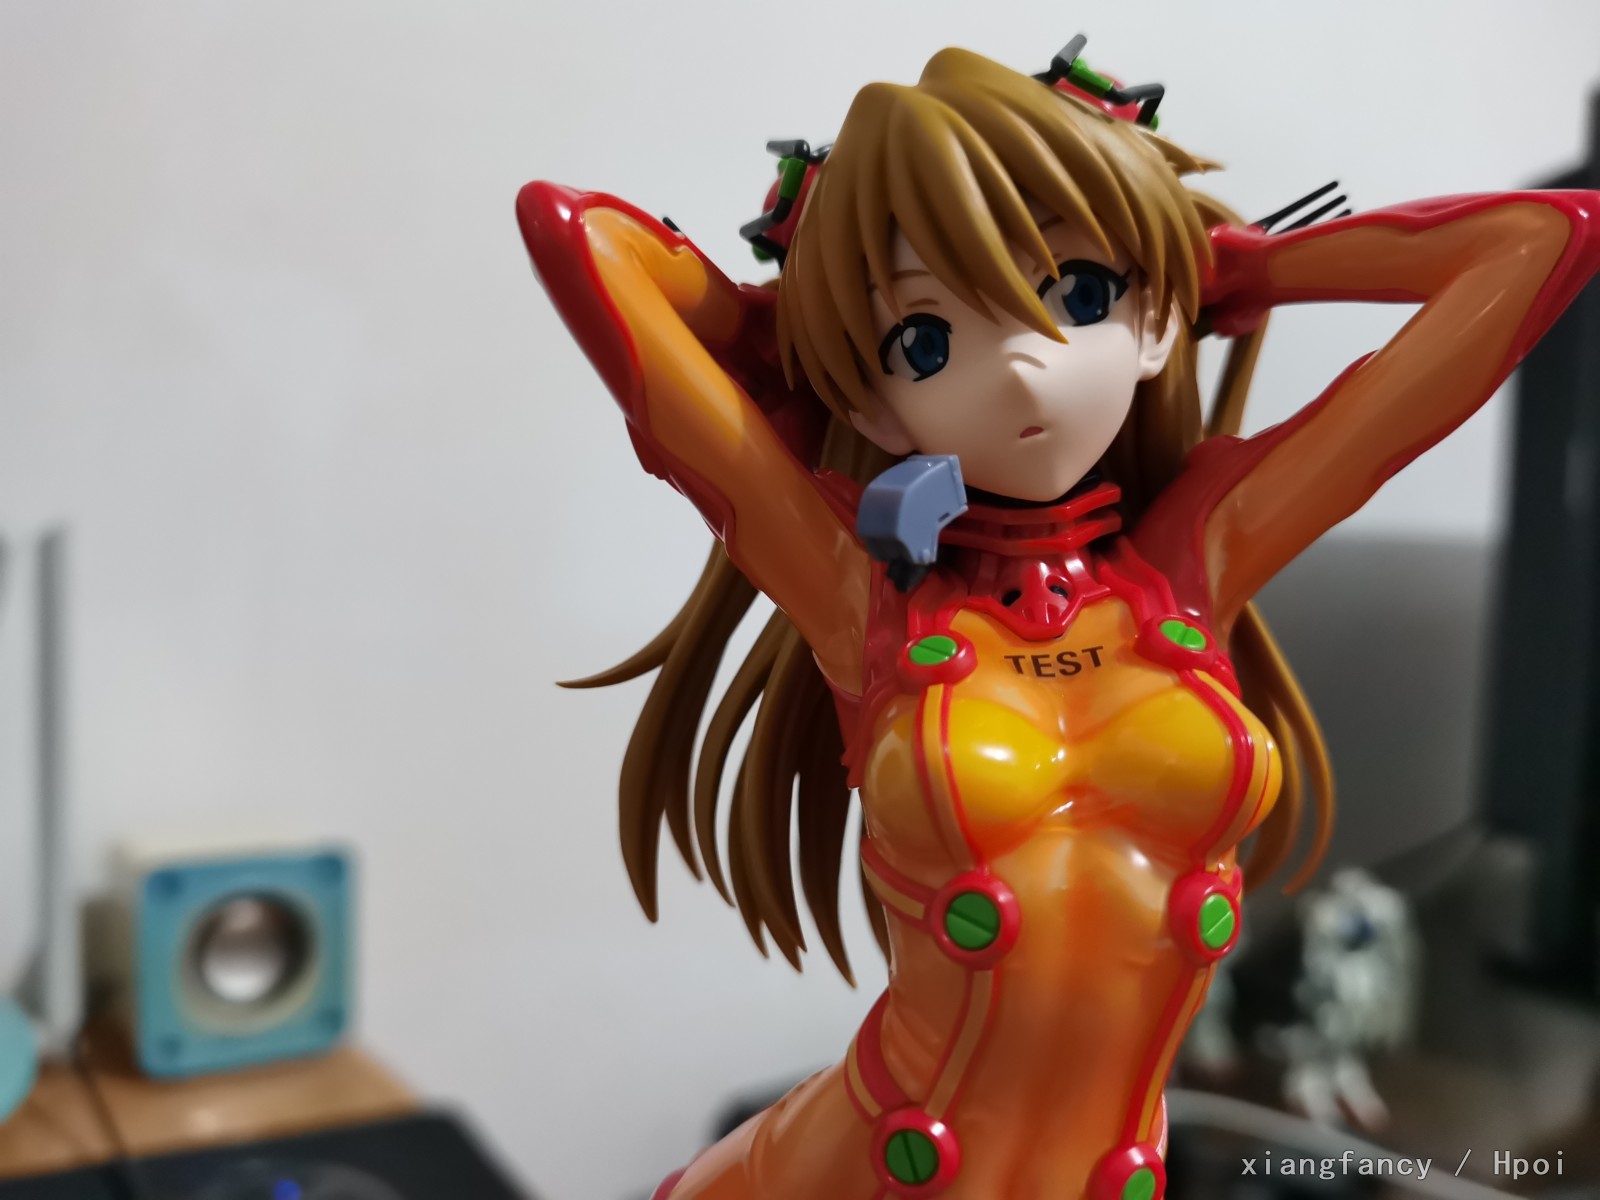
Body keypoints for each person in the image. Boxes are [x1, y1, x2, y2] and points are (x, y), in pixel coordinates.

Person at [517, 37, 1600, 1200]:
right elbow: (582, 243)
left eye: (1079, 295)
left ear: (1155, 321)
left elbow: (1538, 243)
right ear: (873, 401)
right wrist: (797, 334)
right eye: (925, 340)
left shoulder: (1197, 559)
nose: (1024, 368)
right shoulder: (863, 597)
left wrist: (1235, 267)